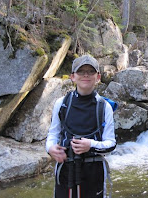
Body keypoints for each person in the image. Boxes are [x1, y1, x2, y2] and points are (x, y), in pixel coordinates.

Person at [46, 55, 116, 198]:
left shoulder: (105, 107)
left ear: (98, 77)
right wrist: (50, 148)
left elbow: (111, 143)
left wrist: (90, 145)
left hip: (94, 171)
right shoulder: (62, 103)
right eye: (81, 71)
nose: (86, 75)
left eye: (91, 72)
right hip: (66, 168)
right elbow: (53, 134)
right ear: (73, 77)